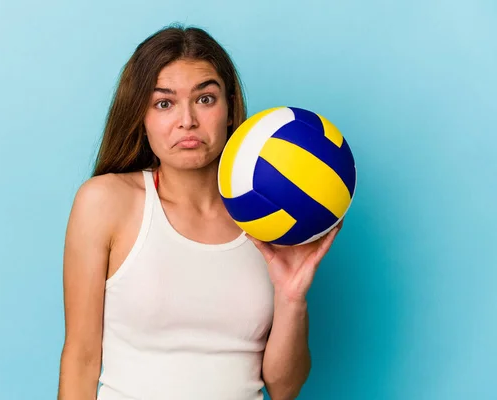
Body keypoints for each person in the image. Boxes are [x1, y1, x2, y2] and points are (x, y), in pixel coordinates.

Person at [57, 24, 342, 400]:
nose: (187, 120)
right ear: (140, 117)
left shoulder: (272, 217)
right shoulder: (105, 202)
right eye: (164, 103)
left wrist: (292, 298)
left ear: (229, 108)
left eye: (205, 99)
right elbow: (81, 359)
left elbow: (284, 388)